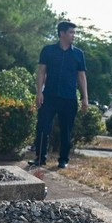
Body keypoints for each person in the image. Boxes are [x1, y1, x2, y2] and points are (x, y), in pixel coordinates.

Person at [30, 21, 89, 169]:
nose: (73, 35)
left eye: (74, 33)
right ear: (62, 33)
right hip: (49, 96)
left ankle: (63, 160)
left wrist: (85, 98)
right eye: (71, 32)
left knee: (66, 130)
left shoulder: (78, 54)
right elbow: (42, 72)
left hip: (69, 98)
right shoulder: (48, 50)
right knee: (42, 127)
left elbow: (81, 76)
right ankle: (40, 158)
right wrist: (39, 92)